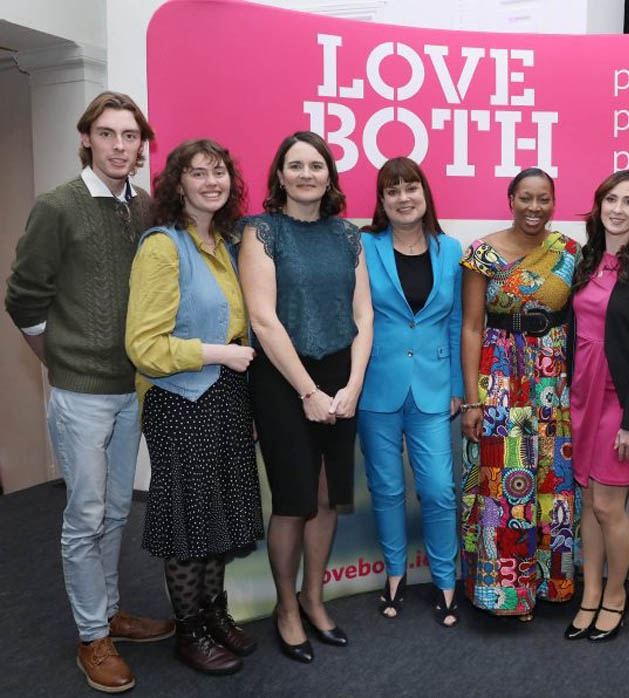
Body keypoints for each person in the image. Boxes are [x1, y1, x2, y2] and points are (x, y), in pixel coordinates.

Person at [5, 91, 173, 693]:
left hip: (132, 386)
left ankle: (109, 613)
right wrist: (56, 360)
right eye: (108, 134)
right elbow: (23, 296)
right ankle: (90, 636)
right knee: (85, 514)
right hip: (81, 392)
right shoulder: (58, 206)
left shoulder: (145, 208)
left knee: (118, 510)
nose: (120, 147)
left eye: (130, 137)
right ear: (87, 139)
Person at [125, 139, 264, 674]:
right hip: (180, 402)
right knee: (189, 523)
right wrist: (218, 353)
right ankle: (189, 633)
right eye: (198, 173)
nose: (212, 181)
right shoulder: (162, 246)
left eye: (220, 172)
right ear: (176, 184)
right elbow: (144, 346)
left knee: (218, 515)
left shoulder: (227, 243)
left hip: (226, 396)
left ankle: (213, 615)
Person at [238, 131, 373, 663]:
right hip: (282, 379)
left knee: (326, 495)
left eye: (316, 165)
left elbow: (364, 316)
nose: (306, 174)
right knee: (294, 501)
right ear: (280, 176)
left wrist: (354, 385)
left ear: (329, 177)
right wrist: (309, 392)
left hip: (341, 377)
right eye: (295, 166)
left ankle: (314, 601)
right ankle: (286, 608)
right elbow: (263, 320)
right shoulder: (261, 231)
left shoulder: (348, 236)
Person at [460, 167, 580, 619]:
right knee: (503, 485)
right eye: (525, 197)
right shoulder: (483, 254)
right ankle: (504, 594)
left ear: (554, 201)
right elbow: (472, 327)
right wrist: (473, 399)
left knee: (551, 481)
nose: (534, 207)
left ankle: (550, 586)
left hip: (551, 378)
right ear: (510, 198)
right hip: (499, 376)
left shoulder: (569, 252)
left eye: (543, 198)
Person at [565, 170, 629, 642]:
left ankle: (615, 595)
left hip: (620, 400)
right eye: (611, 198)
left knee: (610, 506)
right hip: (580, 396)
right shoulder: (583, 261)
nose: (618, 209)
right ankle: (590, 592)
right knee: (587, 502)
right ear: (599, 205)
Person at [358, 157, 463, 626]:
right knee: (386, 488)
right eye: (393, 190)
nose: (404, 198)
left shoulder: (450, 249)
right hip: (376, 387)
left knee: (439, 490)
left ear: (425, 193)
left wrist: (460, 387)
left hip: (435, 389)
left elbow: (458, 323)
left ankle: (446, 577)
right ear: (382, 201)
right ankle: (395, 574)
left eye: (411, 188)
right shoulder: (363, 246)